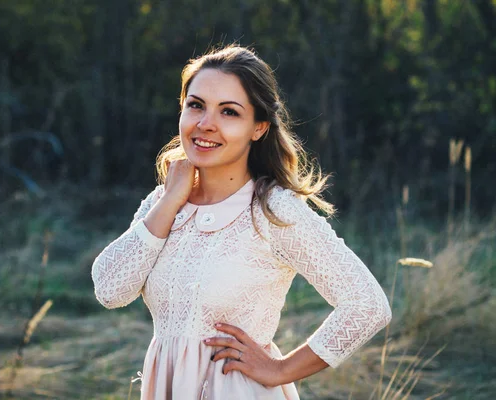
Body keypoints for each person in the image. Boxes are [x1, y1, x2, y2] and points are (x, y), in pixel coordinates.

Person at [92, 45, 391, 400]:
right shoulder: (162, 203)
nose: (206, 124)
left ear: (258, 127)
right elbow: (110, 290)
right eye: (196, 105)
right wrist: (172, 199)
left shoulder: (274, 210)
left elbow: (367, 305)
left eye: (229, 112)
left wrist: (281, 370)